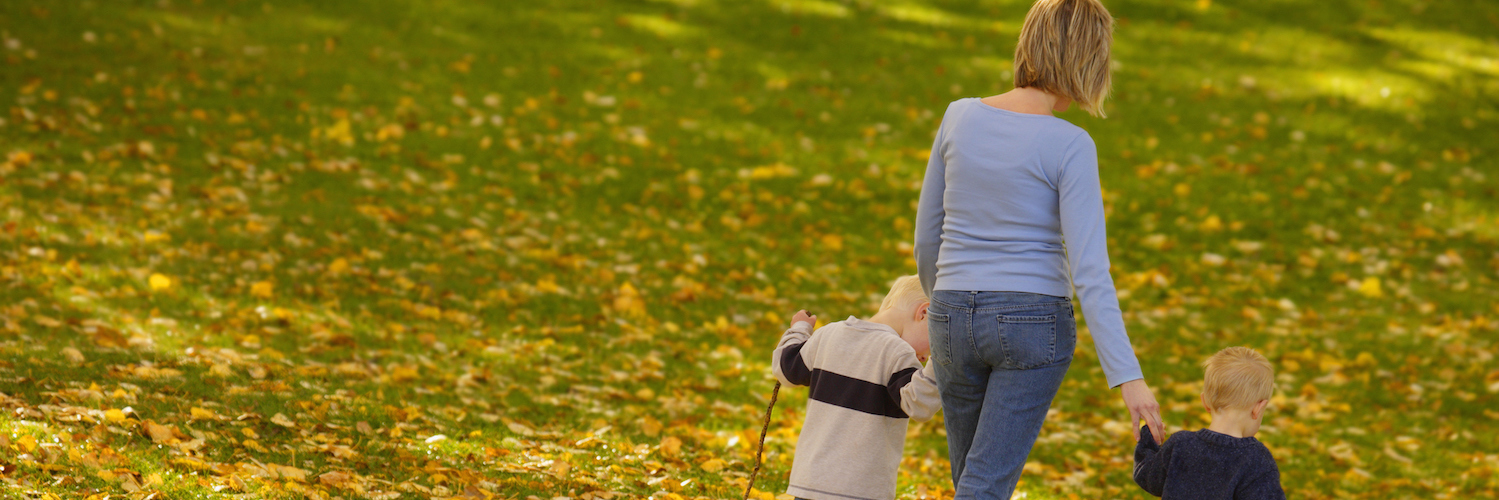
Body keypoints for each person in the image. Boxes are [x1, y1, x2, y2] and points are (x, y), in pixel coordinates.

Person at [913, 0, 1163, 497]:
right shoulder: (1070, 145)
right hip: (1031, 324)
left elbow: (927, 233)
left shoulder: (958, 117)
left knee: (974, 480)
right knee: (983, 485)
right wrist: (1128, 377)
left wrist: (942, 307)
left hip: (950, 313)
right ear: (1087, 62)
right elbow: (1090, 272)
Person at [770, 276, 942, 500]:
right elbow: (920, 404)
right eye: (938, 334)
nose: (924, 358)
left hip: (810, 482)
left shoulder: (828, 334)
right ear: (924, 312)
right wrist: (943, 357)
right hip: (860, 489)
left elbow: (786, 367)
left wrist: (799, 328)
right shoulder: (898, 354)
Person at [1133, 347, 1285, 499]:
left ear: (1205, 401)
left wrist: (1148, 441)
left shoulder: (1179, 445)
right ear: (1258, 408)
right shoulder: (1257, 460)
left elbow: (1148, 477)